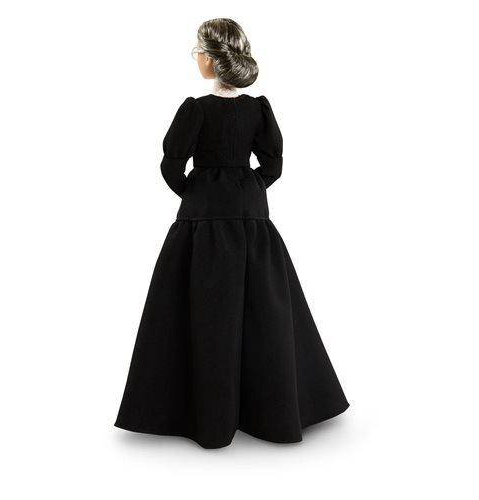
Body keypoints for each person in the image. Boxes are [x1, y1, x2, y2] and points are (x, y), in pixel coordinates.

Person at [115, 18, 349, 449]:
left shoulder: (195, 109)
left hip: (204, 220)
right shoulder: (258, 109)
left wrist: (199, 192)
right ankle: (273, 410)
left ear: (210, 59)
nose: (197, 58)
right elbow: (273, 164)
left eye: (198, 51)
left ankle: (206, 413)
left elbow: (171, 164)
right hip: (250, 216)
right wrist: (247, 186)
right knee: (265, 310)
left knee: (204, 308)